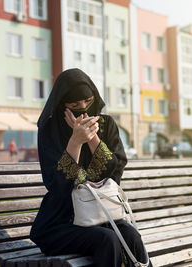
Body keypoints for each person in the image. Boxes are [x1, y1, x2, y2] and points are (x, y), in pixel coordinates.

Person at [30, 69, 151, 267]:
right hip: (61, 222)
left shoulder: (107, 125)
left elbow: (114, 175)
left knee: (132, 237)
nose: (84, 109)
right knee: (107, 240)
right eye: (75, 105)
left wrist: (92, 138)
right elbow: (57, 187)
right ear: (62, 105)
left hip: (101, 216)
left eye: (88, 101)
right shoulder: (50, 130)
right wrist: (75, 142)